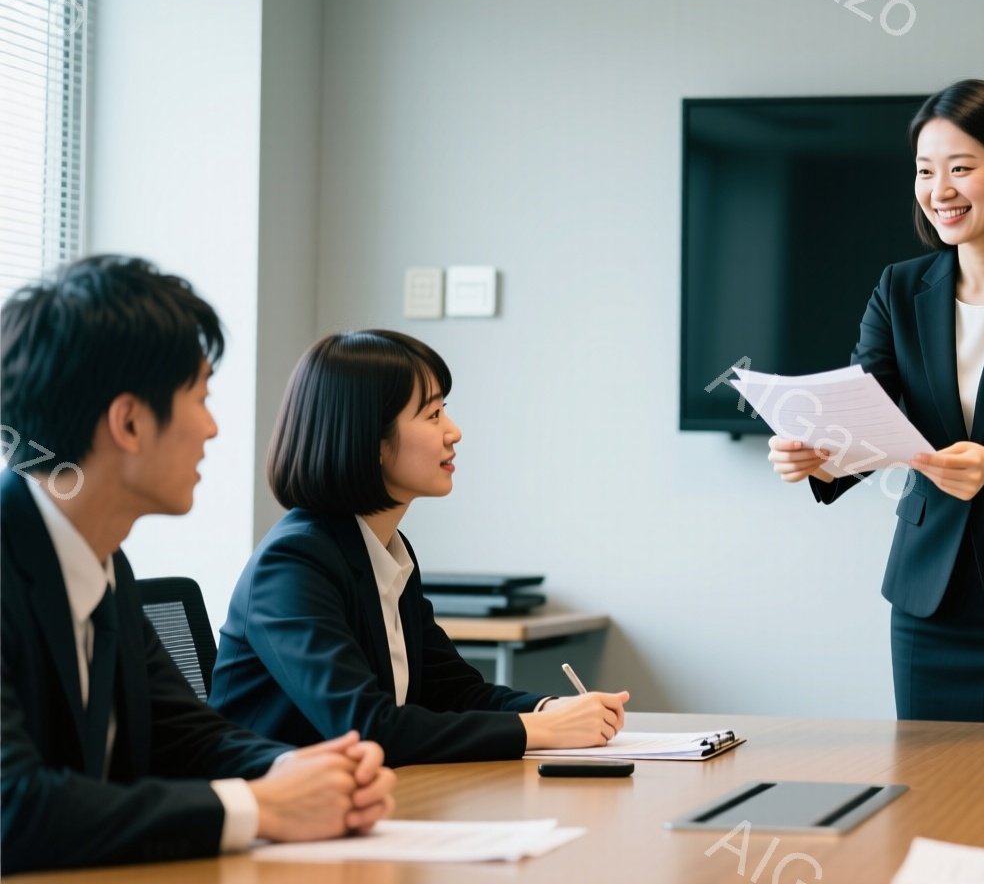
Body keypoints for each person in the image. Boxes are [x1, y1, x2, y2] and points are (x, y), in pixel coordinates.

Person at [0, 256, 396, 874]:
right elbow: (13, 809)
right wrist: (260, 808)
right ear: (129, 421)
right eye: (201, 396)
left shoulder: (101, 561)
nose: (212, 428)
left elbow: (185, 734)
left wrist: (299, 770)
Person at [766, 79, 984, 723]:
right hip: (929, 599)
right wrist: (817, 457)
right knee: (929, 794)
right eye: (926, 171)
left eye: (962, 168)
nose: (940, 190)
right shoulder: (899, 288)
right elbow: (864, 414)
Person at [210, 330, 629, 767]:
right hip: (279, 820)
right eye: (432, 414)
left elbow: (454, 691)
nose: (454, 432)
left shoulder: (385, 547)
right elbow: (367, 727)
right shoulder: (294, 563)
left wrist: (549, 710)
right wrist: (540, 731)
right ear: (369, 438)